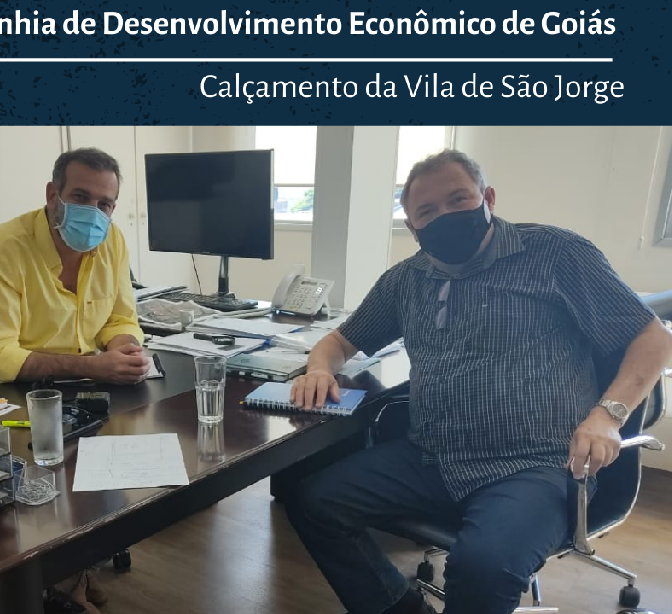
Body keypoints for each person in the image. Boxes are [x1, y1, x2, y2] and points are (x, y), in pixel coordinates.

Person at [285, 150, 672, 614]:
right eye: (428, 210)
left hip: (538, 462)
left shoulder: (555, 253)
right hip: (432, 457)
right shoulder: (405, 280)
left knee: (484, 566)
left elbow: (653, 338)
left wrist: (608, 415)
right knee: (313, 503)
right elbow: (338, 341)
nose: (445, 216)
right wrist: (320, 368)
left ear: (487, 198)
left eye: (459, 199)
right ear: (413, 227)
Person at [0, 146, 149, 385]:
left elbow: (120, 319)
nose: (92, 213)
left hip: (86, 385)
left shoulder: (112, 239)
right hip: (10, 392)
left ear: (112, 209)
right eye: (80, 197)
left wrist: (127, 353)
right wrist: (91, 367)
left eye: (104, 204)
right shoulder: (0, 250)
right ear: (53, 195)